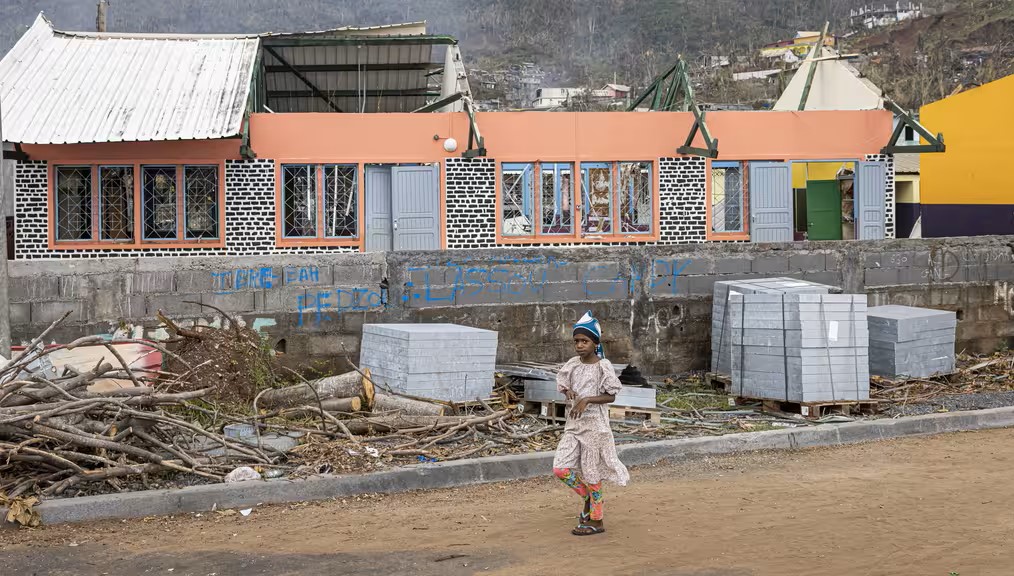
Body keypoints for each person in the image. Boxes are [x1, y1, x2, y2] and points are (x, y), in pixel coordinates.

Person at [552, 311, 630, 536]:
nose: (579, 345)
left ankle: (596, 519)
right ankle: (587, 498)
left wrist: (586, 399)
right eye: (576, 341)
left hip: (595, 428)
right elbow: (564, 383)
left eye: (584, 341)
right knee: (560, 468)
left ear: (595, 343)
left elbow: (611, 395)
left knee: (592, 472)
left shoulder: (602, 366)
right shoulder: (573, 364)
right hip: (574, 426)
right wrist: (569, 392)